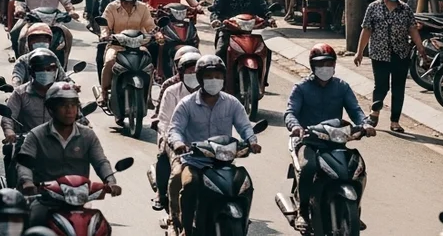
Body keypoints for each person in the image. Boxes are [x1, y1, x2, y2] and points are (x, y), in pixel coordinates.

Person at [166, 55, 261, 234]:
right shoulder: (186, 104)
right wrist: (178, 143)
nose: (214, 80)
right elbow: (175, 128)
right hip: (195, 163)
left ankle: (244, 222)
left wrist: (252, 141)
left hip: (223, 163)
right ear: (200, 78)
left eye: (218, 76)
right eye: (209, 76)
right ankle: (185, 228)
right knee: (189, 185)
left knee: (244, 184)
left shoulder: (232, 103)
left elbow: (244, 126)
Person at [284, 43, 373, 225]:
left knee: (356, 169)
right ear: (312, 66)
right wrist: (295, 126)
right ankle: (303, 212)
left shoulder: (342, 87)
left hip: (335, 141)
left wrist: (365, 125)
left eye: (328, 64)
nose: (325, 68)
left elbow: (356, 111)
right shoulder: (301, 88)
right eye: (320, 65)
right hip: (308, 141)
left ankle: (354, 209)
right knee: (308, 168)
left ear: (334, 65)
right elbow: (290, 112)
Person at [16, 83, 119, 226]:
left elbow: (101, 161)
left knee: (100, 227)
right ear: (51, 109)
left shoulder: (88, 135)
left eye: (73, 105)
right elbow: (24, 162)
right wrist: (27, 181)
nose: (69, 110)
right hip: (46, 200)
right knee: (33, 223)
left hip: (78, 201)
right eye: (64, 105)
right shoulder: (36, 135)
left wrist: (110, 181)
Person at [353, 0, 427, 133]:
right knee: (381, 85)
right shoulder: (374, 8)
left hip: (401, 53)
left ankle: (395, 121)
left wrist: (421, 48)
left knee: (398, 88)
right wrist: (359, 52)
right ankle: (375, 110)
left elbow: (412, 29)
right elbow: (366, 30)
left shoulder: (405, 9)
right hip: (379, 53)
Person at [152, 51, 200, 210]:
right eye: (189, 72)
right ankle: (161, 193)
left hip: (203, 142)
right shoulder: (171, 90)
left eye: (196, 72)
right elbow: (165, 120)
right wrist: (170, 140)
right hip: (176, 139)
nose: (193, 75)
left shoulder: (211, 93)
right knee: (164, 159)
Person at [99, 0, 157, 106]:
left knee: (149, 66)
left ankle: (148, 96)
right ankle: (103, 93)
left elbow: (149, 25)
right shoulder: (111, 7)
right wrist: (105, 34)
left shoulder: (143, 8)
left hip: (138, 46)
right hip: (117, 45)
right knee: (109, 61)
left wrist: (156, 33)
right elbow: (105, 25)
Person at [209, 0, 273, 82]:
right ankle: (219, 80)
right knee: (220, 52)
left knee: (266, 51)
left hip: (250, 32)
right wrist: (216, 21)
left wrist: (269, 18)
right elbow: (215, 10)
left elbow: (264, 9)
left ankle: (262, 80)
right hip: (228, 31)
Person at [1, 49, 62, 144]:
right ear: (32, 72)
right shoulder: (20, 93)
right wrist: (9, 130)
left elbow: (76, 117)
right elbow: (8, 116)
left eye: (49, 70)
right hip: (27, 143)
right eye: (41, 69)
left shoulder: (63, 93)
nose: (46, 72)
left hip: (56, 144)